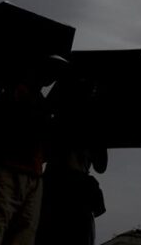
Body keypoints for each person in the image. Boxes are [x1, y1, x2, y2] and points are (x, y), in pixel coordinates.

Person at [0, 56, 61, 245]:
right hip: (6, 172)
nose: (52, 78)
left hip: (32, 176)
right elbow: (21, 128)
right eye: (50, 71)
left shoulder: (37, 100)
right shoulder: (14, 93)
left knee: (18, 237)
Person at [35, 72, 107, 245]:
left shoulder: (88, 125)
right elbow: (101, 166)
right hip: (62, 187)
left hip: (64, 187)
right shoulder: (64, 121)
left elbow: (100, 164)